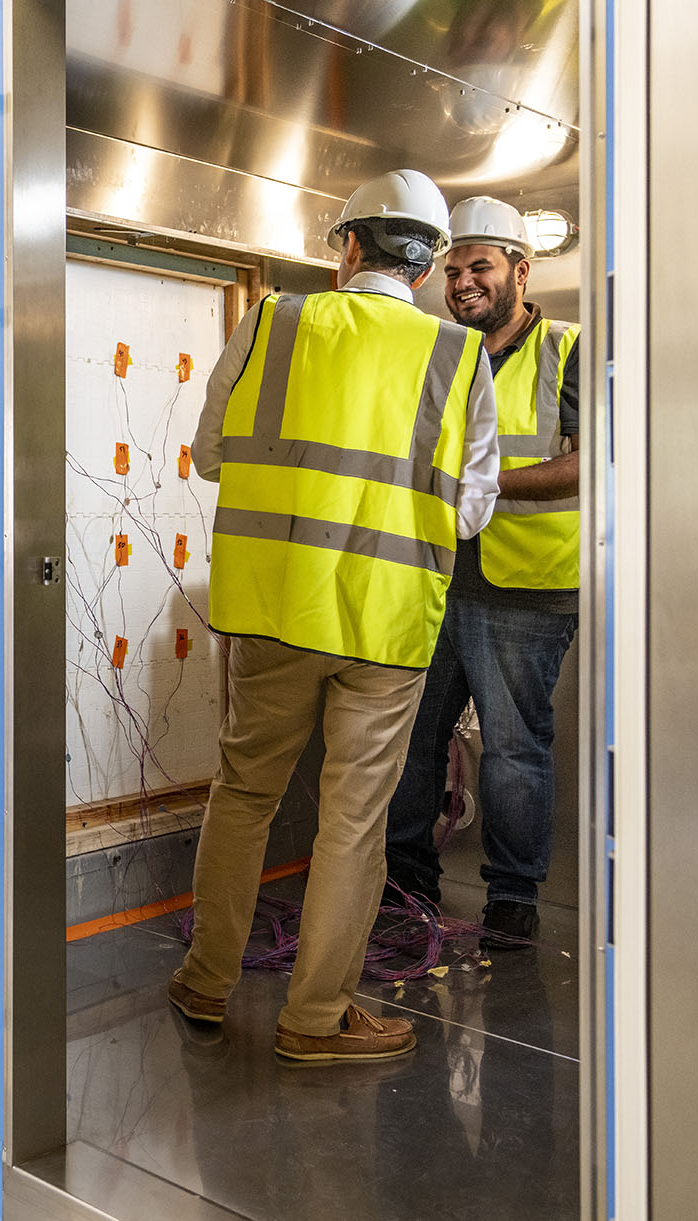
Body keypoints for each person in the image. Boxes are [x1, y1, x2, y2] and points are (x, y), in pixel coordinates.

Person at [167, 170, 500, 1061]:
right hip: (385, 629)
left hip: (273, 609)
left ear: (348, 247)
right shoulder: (458, 357)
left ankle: (205, 981)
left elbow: (207, 456)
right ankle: (315, 1019)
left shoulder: (273, 321)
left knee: (243, 794)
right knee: (353, 823)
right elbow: (472, 510)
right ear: (428, 269)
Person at [384, 197, 581, 948]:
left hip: (525, 590)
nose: (464, 283)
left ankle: (510, 899)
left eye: (481, 268)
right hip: (426, 577)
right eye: (455, 269)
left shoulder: (566, 349)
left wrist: (487, 484)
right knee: (410, 736)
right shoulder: (435, 350)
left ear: (520, 272)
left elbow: (591, 462)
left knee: (512, 746)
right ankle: (406, 881)